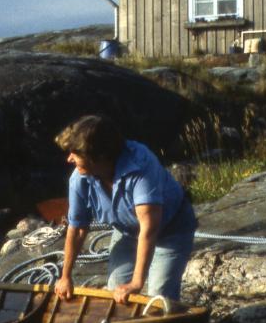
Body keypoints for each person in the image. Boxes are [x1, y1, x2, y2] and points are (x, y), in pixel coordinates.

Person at [52, 115, 197, 304]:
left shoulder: (142, 167)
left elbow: (149, 228)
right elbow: (78, 228)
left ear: (99, 156)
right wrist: (65, 276)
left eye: (74, 152)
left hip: (171, 230)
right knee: (115, 288)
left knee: (158, 297)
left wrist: (137, 282)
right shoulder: (79, 179)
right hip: (127, 232)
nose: (69, 158)